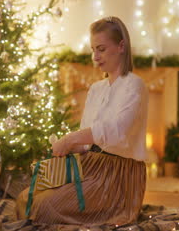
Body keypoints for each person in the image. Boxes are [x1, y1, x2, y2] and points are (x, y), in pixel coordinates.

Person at [16, 16, 149, 227]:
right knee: (26, 197)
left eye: (101, 49)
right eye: (93, 49)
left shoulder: (134, 85)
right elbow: (88, 141)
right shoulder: (96, 89)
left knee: (44, 206)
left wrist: (70, 139)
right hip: (89, 166)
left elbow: (117, 131)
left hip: (115, 177)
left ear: (121, 46)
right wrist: (66, 148)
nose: (95, 57)